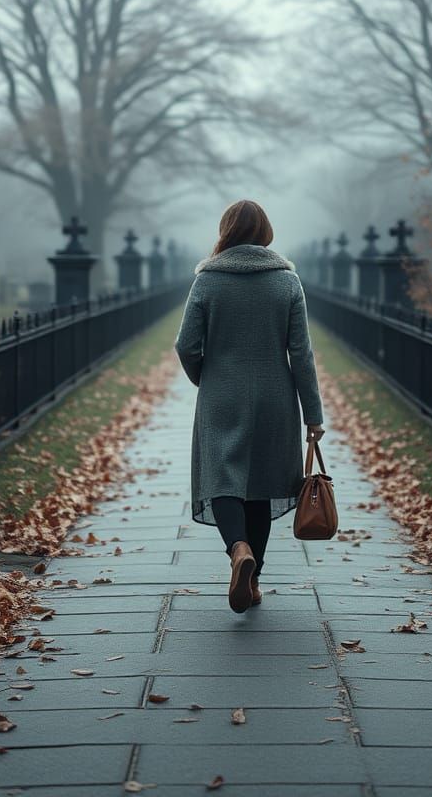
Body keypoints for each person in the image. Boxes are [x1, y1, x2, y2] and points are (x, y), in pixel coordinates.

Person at [174, 199, 325, 614]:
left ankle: (238, 549)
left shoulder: (208, 281)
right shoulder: (286, 282)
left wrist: (205, 377)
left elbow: (185, 345)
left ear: (226, 231)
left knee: (222, 478)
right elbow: (302, 354)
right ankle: (254, 582)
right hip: (275, 397)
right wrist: (313, 415)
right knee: (261, 484)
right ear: (265, 232)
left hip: (221, 394)